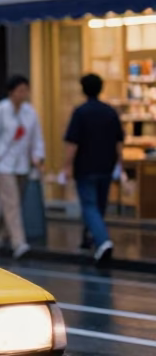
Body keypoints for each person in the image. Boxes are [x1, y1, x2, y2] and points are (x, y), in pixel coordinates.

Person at [0, 74, 45, 260]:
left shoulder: (30, 113)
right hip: (3, 164)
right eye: (20, 90)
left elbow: (36, 138)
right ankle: (19, 243)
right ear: (11, 92)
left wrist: (37, 158)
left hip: (22, 165)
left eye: (26, 90)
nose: (24, 94)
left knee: (6, 203)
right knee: (12, 204)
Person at [60, 73, 124, 263]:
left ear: (83, 89)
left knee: (89, 206)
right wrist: (120, 164)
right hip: (106, 165)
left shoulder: (80, 112)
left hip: (85, 166)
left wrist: (66, 166)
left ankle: (102, 241)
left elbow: (73, 143)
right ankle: (89, 239)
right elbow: (119, 142)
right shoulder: (110, 112)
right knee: (99, 206)